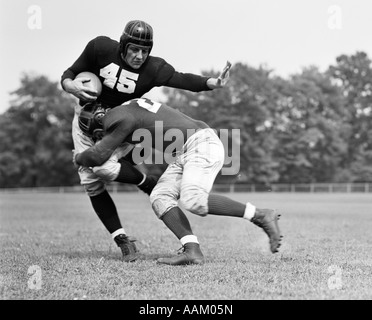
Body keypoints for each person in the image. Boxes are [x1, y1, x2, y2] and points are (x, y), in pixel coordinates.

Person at [61, 20, 230, 262]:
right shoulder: (99, 48)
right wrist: (71, 86)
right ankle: (122, 240)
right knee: (91, 182)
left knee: (101, 167)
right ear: (122, 45)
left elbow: (182, 79)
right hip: (85, 122)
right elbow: (68, 74)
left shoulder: (154, 69)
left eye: (145, 50)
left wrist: (212, 83)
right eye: (134, 49)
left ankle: (144, 180)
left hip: (122, 125)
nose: (140, 56)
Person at [74, 98, 283, 265]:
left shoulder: (115, 119)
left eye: (97, 135)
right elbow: (128, 152)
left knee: (193, 200)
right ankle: (192, 250)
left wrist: (78, 157)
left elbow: (98, 155)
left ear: (99, 122)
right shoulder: (127, 110)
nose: (99, 138)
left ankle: (260, 215)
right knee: (160, 196)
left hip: (201, 144)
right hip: (186, 150)